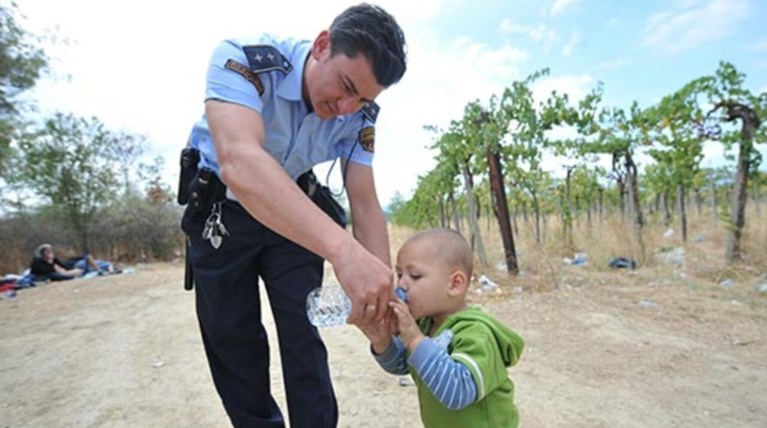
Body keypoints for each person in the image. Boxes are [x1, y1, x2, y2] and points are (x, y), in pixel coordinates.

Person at [179, 4, 407, 427]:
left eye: (362, 98)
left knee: (304, 334)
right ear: (322, 45)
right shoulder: (243, 59)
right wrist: (343, 251)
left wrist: (381, 292)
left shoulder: (360, 114)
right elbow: (240, 163)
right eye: (344, 86)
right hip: (223, 211)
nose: (345, 108)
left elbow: (365, 202)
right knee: (234, 339)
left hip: (296, 215)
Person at [362, 228, 525, 428]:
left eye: (414, 276)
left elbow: (458, 392)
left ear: (455, 284)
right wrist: (382, 343)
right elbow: (403, 365)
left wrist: (414, 338)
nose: (401, 285)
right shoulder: (425, 324)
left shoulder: (476, 333)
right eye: (399, 274)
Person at [29, 243, 113, 282]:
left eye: (51, 250)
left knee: (76, 271)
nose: (51, 252)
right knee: (56, 276)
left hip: (58, 271)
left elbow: (63, 265)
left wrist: (71, 270)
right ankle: (99, 271)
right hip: (41, 276)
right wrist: (50, 262)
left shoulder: (53, 258)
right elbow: (48, 271)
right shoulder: (38, 261)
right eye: (49, 251)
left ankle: (103, 270)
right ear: (44, 253)